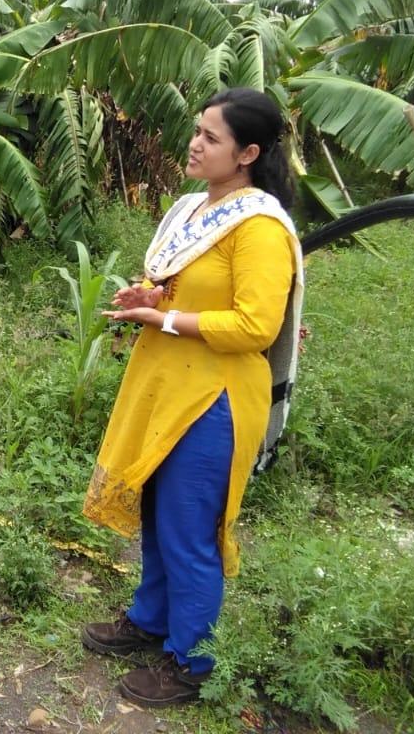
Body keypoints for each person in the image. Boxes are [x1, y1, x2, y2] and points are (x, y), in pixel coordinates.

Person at [80, 87, 304, 707]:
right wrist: (151, 298)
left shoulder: (257, 226)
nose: (195, 144)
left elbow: (256, 326)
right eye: (197, 131)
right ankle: (151, 620)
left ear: (248, 153)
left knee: (188, 529)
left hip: (215, 397)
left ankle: (192, 660)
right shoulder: (191, 209)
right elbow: (185, 288)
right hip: (166, 381)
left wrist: (169, 321)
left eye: (211, 137)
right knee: (157, 509)